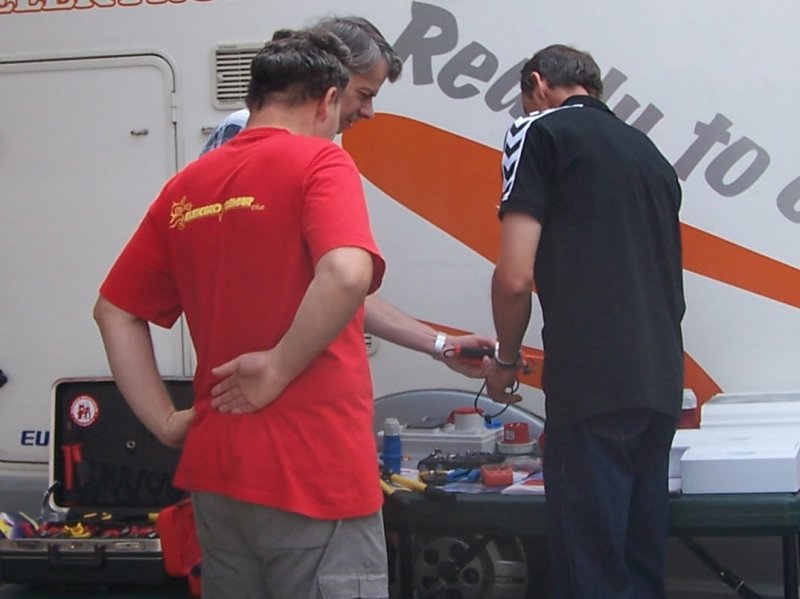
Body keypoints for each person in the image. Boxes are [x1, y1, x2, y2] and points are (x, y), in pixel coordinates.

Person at [95, 29, 390, 599]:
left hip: (219, 473)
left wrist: (165, 421)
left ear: (255, 97)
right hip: (315, 472)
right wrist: (276, 368)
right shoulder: (321, 162)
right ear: (328, 100)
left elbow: (114, 311)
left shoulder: (187, 186)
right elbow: (347, 273)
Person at [486, 44, 685, 599]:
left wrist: (505, 360)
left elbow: (514, 277)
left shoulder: (538, 131)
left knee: (590, 575)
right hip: (660, 384)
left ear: (537, 84)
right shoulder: (649, 153)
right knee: (640, 570)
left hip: (591, 384)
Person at [202, 17, 493, 392]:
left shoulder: (319, 150)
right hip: (256, 380)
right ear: (331, 80)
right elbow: (334, 280)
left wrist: (440, 345)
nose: (369, 111)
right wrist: (278, 369)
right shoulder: (252, 135)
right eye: (365, 94)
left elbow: (340, 287)